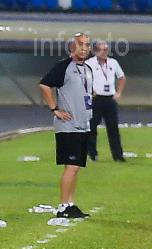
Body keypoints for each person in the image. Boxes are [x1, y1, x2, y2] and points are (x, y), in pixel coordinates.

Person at [39, 32, 93, 219]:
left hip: (83, 124)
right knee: (71, 167)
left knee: (75, 167)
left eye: (87, 44)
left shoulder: (87, 68)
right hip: (68, 125)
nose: (84, 48)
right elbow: (44, 85)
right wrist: (54, 108)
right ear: (72, 47)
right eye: (80, 44)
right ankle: (63, 207)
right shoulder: (64, 66)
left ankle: (70, 204)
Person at [85, 40, 127, 162]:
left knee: (113, 129)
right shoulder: (89, 63)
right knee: (91, 127)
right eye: (102, 50)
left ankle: (118, 156)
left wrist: (118, 92)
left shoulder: (113, 63)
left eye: (106, 50)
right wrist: (90, 90)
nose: (104, 52)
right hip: (95, 99)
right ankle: (92, 154)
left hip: (109, 99)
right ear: (95, 51)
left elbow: (122, 77)